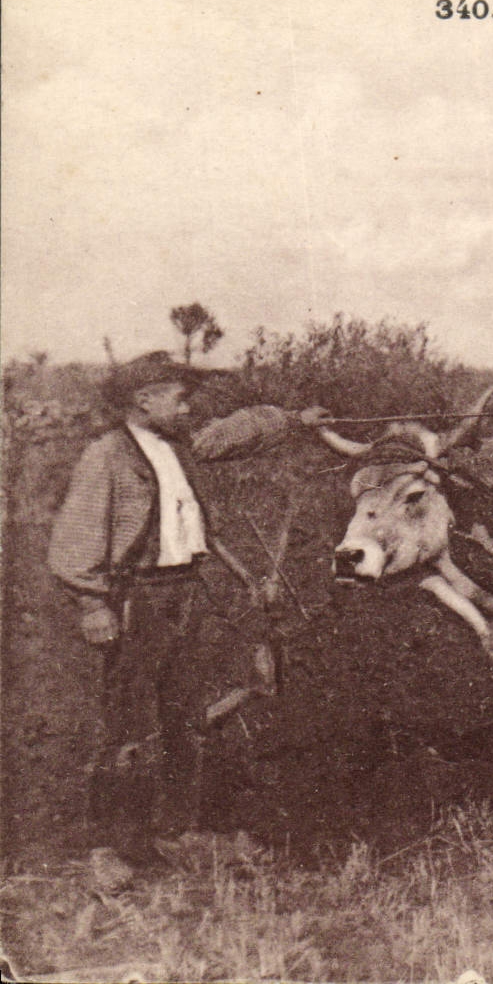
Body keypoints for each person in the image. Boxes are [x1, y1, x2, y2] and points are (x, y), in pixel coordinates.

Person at [47, 351, 325, 880]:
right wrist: (91, 602)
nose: (188, 403)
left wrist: (293, 420)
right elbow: (76, 537)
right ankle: (112, 849)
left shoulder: (181, 445)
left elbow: (236, 432)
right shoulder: (107, 455)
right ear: (143, 399)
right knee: (127, 722)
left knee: (186, 717)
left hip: (185, 594)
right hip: (136, 601)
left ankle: (176, 832)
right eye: (177, 394)